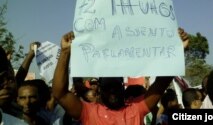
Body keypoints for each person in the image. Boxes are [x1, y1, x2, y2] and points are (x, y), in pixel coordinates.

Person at [52, 27, 189, 125]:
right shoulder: (89, 111)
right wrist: (65, 52)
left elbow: (160, 85)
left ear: (123, 87)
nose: (112, 91)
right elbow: (60, 94)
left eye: (116, 86)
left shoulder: (135, 108)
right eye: (108, 86)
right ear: (99, 89)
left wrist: (177, 50)